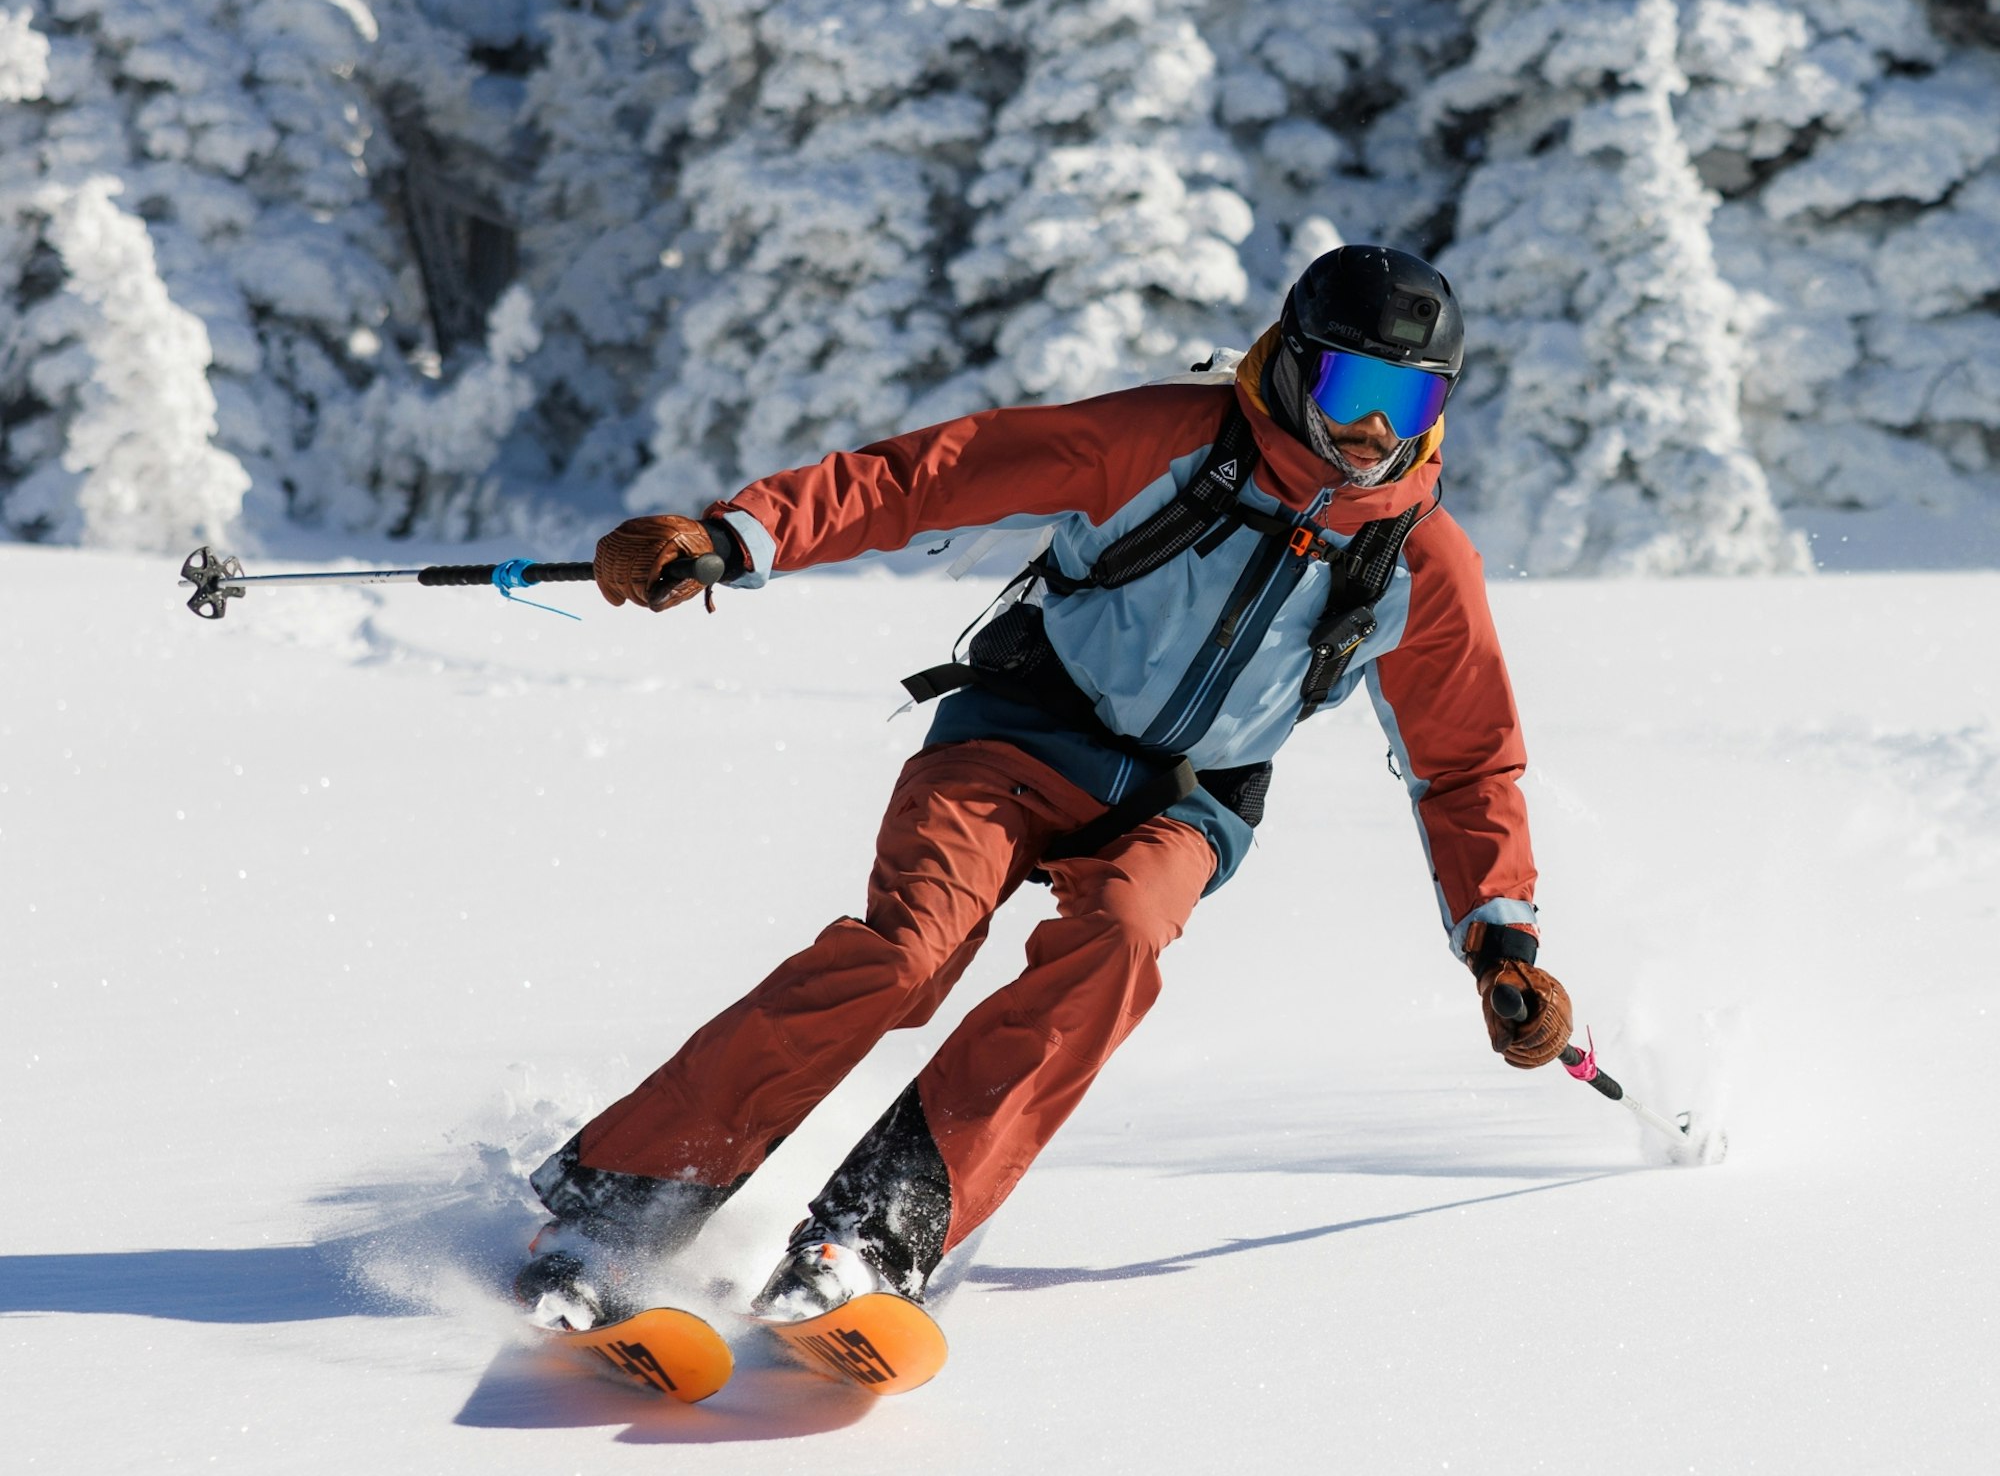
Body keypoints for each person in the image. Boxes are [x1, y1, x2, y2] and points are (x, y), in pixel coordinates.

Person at [516, 245, 1571, 1332]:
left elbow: (1467, 761)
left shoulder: (1419, 560)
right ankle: (619, 1203)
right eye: (1356, 388)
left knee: (1118, 942)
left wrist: (1502, 942)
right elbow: (926, 475)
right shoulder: (1161, 441)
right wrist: (733, 536)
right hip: (1018, 736)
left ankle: (873, 1235)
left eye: (1414, 398)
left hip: (1185, 803)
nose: (1374, 429)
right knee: (903, 954)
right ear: (1298, 369)